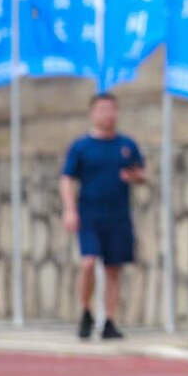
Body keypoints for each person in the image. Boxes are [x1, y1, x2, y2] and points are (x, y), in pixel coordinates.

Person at [60, 92, 145, 340]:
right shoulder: (81, 146)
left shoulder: (126, 145)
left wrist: (135, 177)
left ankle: (108, 320)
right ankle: (85, 311)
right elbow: (66, 179)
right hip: (89, 215)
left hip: (118, 215)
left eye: (112, 109)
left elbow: (142, 173)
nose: (108, 115)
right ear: (93, 113)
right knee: (88, 262)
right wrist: (69, 210)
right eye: (102, 110)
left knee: (113, 269)